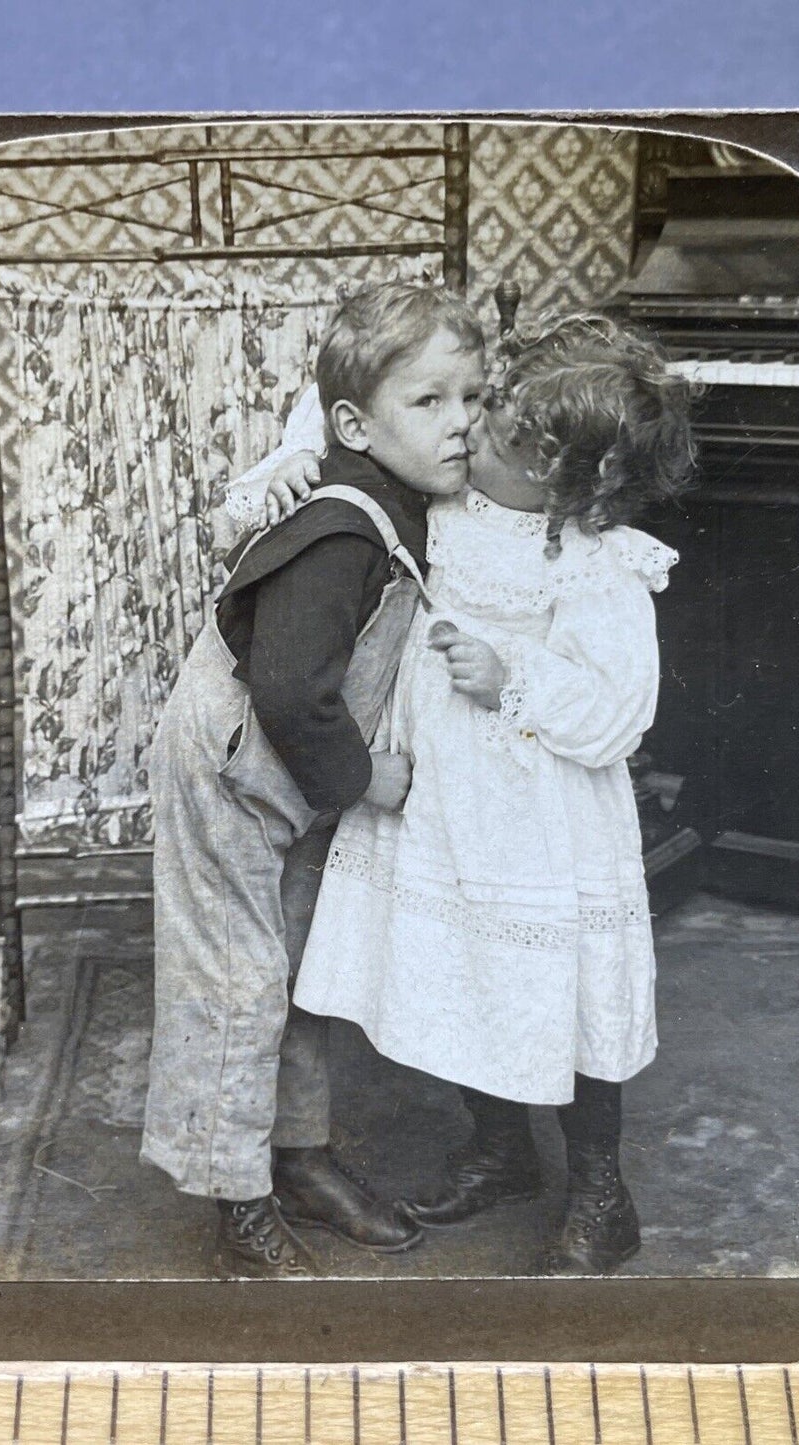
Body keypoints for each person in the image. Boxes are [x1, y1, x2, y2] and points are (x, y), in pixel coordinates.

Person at [247, 313, 694, 1273]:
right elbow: (348, 412)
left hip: (541, 819)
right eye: (480, 410)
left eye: (497, 435)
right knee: (464, 975)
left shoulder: (596, 561)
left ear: (580, 482)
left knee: (558, 994)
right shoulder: (443, 500)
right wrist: (292, 452)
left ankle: (599, 1188)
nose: (467, 435)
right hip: (446, 804)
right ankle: (498, 1148)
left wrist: (514, 678)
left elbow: (621, 715)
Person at [140, 280, 487, 1279]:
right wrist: (369, 778)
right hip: (232, 765)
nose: (460, 423)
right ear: (351, 422)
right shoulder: (337, 527)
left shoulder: (394, 498)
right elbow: (290, 689)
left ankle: (293, 1156)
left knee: (298, 966)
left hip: (285, 770)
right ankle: (234, 1202)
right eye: (428, 402)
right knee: (238, 979)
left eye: (471, 397)